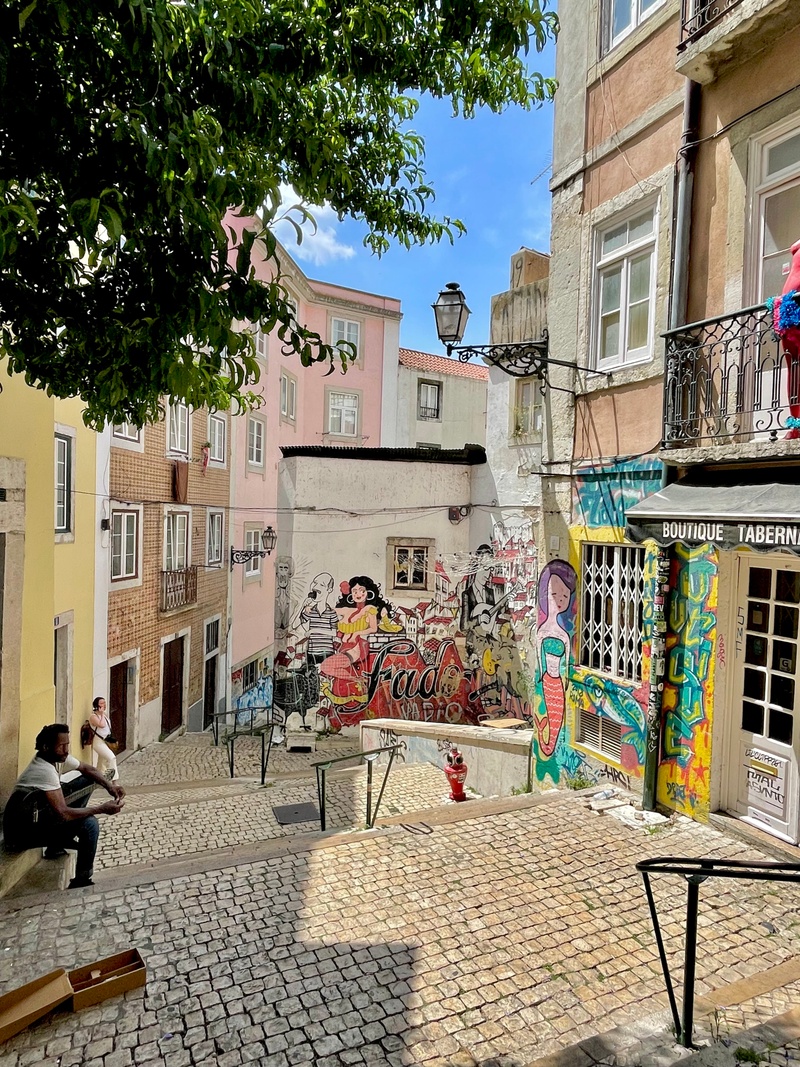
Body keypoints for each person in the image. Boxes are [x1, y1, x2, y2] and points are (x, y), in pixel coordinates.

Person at [2, 723, 125, 889]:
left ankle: (56, 846)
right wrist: (102, 808)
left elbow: (87, 768)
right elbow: (63, 813)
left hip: (36, 816)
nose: (66, 750)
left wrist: (109, 786)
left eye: (67, 744)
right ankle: (82, 880)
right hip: (21, 834)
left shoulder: (52, 756)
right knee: (89, 825)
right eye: (62, 746)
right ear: (46, 747)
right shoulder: (44, 770)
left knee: (87, 778)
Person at [88, 696, 118, 781]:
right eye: (101, 703)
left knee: (102, 762)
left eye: (104, 703)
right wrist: (101, 715)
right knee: (111, 758)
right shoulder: (93, 716)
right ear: (96, 705)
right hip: (98, 742)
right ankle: (114, 780)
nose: (104, 705)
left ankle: (98, 778)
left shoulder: (104, 715)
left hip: (106, 740)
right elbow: (102, 725)